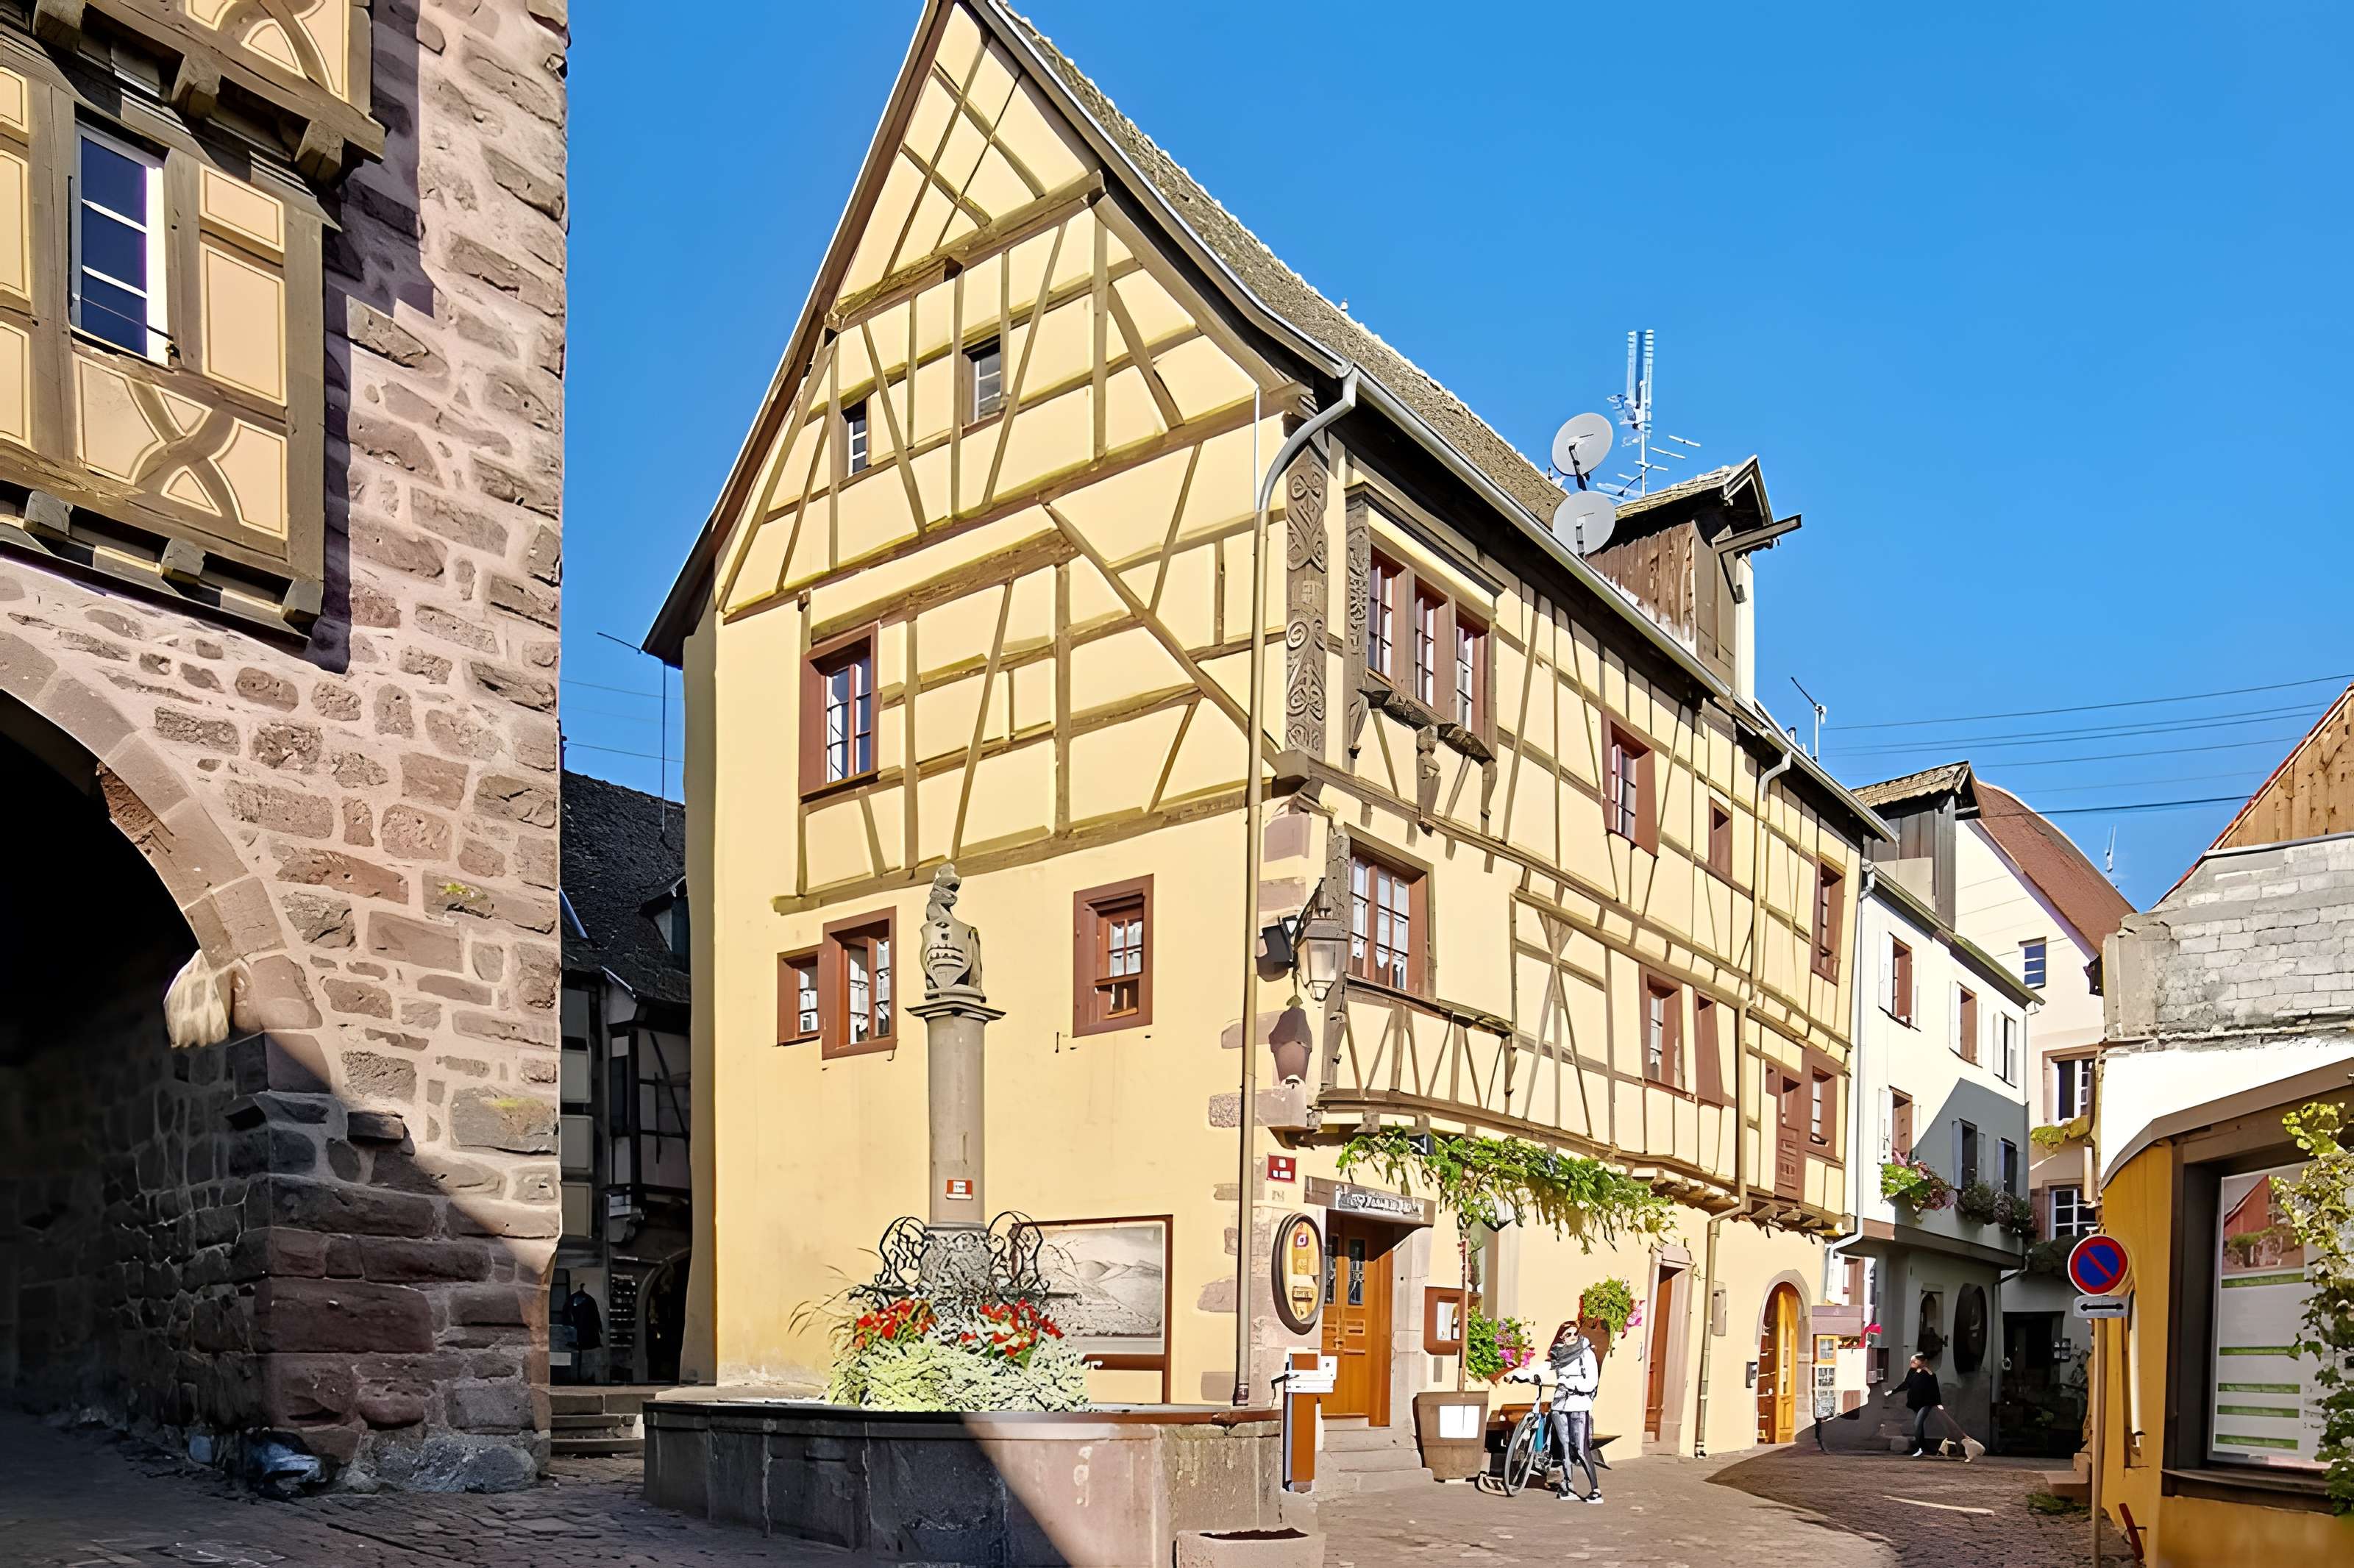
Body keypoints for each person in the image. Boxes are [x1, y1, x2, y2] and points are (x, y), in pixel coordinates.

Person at [1547, 1319, 1604, 1503]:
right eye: (1568, 1334)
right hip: (1559, 1405)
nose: (1572, 1337)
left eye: (1575, 1333)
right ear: (1561, 1335)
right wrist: (1521, 1376)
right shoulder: (1557, 1354)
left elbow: (1592, 1381)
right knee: (1563, 1446)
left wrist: (1571, 1385)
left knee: (1580, 1448)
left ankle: (1595, 1490)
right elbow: (1546, 1371)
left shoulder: (1586, 1354)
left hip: (1578, 1404)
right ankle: (1568, 1485)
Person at [1888, 1353, 1944, 1456]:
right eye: (1911, 1361)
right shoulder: (1912, 1372)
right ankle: (1925, 1448)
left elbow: (1935, 1389)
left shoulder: (1929, 1374)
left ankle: (1920, 1448)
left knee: (1917, 1424)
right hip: (1915, 1403)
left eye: (1915, 1361)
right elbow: (1906, 1384)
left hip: (1926, 1403)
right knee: (1920, 1426)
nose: (1912, 1363)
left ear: (1923, 1362)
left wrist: (1938, 1403)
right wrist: (1893, 1392)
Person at [566, 1286, 606, 1385]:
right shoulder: (572, 1301)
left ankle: (584, 1377)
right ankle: (578, 1377)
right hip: (577, 1332)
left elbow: (596, 1315)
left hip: (586, 1333)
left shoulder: (589, 1301)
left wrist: (600, 1328)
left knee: (584, 1355)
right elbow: (567, 1315)